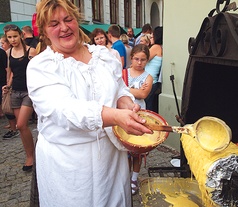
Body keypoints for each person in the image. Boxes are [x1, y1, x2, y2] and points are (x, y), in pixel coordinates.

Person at [26, 0, 152, 206]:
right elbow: (64, 109)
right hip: (69, 166)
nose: (64, 27)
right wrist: (115, 117)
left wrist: (126, 103)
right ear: (44, 31)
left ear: (77, 20)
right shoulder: (41, 67)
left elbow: (119, 87)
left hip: (111, 161)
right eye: (54, 23)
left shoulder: (104, 56)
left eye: (68, 19)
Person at [2, 24, 36, 171]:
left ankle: (31, 157)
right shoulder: (8, 52)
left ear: (21, 35)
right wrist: (7, 85)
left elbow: (38, 71)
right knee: (21, 128)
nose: (12, 39)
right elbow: (11, 73)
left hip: (29, 91)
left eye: (15, 36)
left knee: (21, 124)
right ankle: (30, 155)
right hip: (15, 91)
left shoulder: (30, 50)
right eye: (9, 37)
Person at [127, 44, 153, 195]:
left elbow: (143, 95)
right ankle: (124, 176)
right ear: (131, 58)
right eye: (136, 59)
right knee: (125, 150)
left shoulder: (148, 77)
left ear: (147, 61)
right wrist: (136, 90)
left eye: (143, 60)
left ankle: (134, 178)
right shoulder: (124, 73)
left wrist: (126, 88)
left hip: (140, 115)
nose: (139, 62)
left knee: (137, 150)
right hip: (124, 113)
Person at [0, 35, 19, 139]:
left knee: (7, 107)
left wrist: (8, 83)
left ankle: (15, 128)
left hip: (3, 82)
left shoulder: (3, 52)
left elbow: (8, 69)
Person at [145, 26, 163, 113]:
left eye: (152, 36)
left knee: (147, 107)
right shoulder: (161, 47)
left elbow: (143, 58)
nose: (150, 38)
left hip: (150, 81)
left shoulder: (156, 47)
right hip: (154, 81)